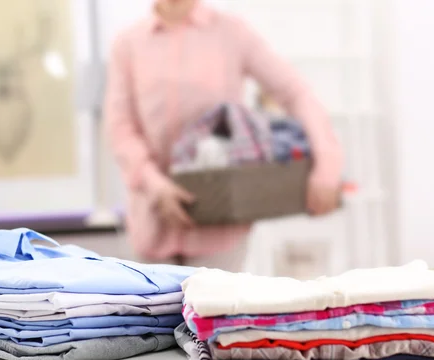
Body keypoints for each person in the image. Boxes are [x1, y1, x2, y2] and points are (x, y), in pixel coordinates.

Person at [104, 0, 343, 269]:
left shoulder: (231, 32)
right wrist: (155, 186)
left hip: (221, 221)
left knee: (215, 308)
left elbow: (295, 93)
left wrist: (327, 164)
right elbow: (120, 126)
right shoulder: (129, 43)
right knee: (156, 311)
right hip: (152, 220)